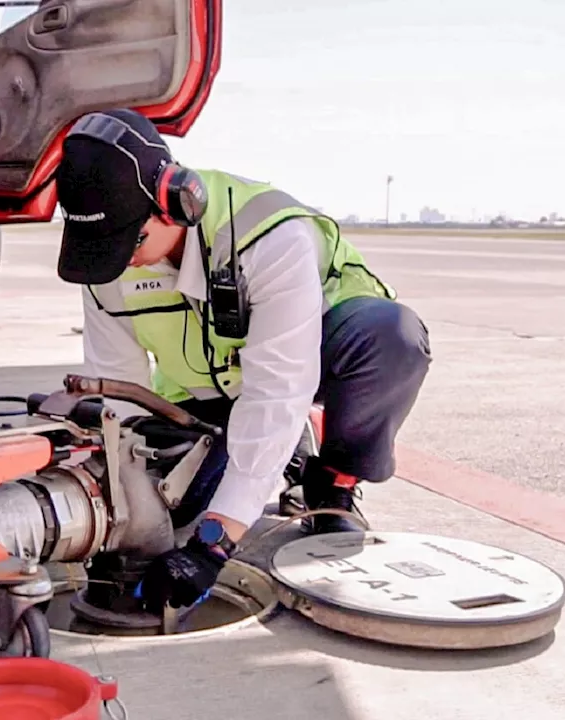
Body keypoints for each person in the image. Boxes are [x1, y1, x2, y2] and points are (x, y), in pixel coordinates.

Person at [52, 108, 432, 614]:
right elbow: (119, 388)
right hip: (204, 396)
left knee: (390, 338)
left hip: (318, 353)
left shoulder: (266, 236)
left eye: (130, 241)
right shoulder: (107, 264)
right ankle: (283, 442)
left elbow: (279, 385)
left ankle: (331, 482)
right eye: (103, 247)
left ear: (175, 202)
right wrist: (120, 500)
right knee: (172, 510)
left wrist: (215, 542)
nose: (120, 260)